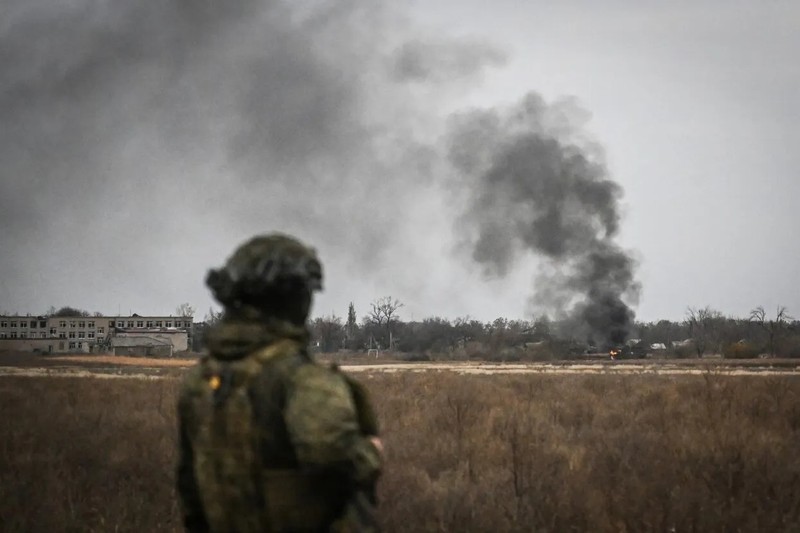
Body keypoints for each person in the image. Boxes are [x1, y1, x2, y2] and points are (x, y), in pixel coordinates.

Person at [177, 233, 382, 532]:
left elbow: (190, 493)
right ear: (298, 298)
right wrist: (372, 452)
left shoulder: (199, 382)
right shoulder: (302, 380)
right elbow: (339, 461)